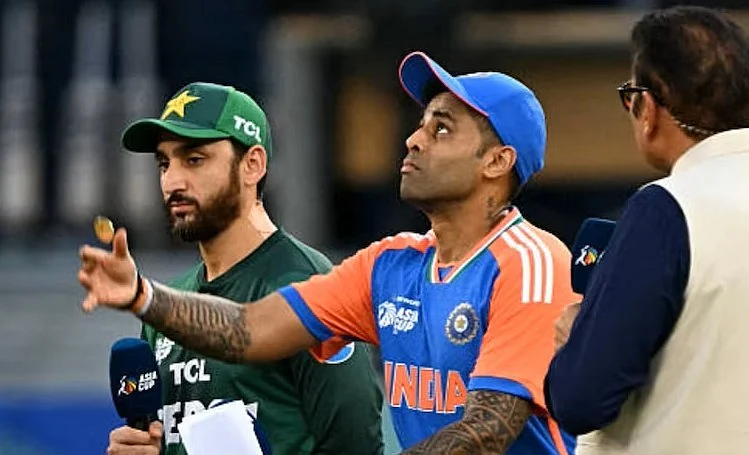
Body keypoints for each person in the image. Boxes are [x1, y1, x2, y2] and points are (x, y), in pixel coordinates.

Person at [79, 52, 577, 454]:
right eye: (421, 124)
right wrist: (143, 296)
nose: (413, 139)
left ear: (497, 161)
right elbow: (250, 329)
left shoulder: (530, 262)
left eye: (441, 129)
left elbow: (486, 432)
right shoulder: (391, 263)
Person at [545, 6, 749, 454]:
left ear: (647, 107)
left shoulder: (666, 209)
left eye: (630, 96)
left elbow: (581, 399)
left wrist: (578, 342)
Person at [104, 82, 384, 455]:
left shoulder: (309, 283)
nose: (173, 181)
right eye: (164, 163)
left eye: (195, 159)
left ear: (252, 164)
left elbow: (357, 446)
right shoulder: (168, 303)